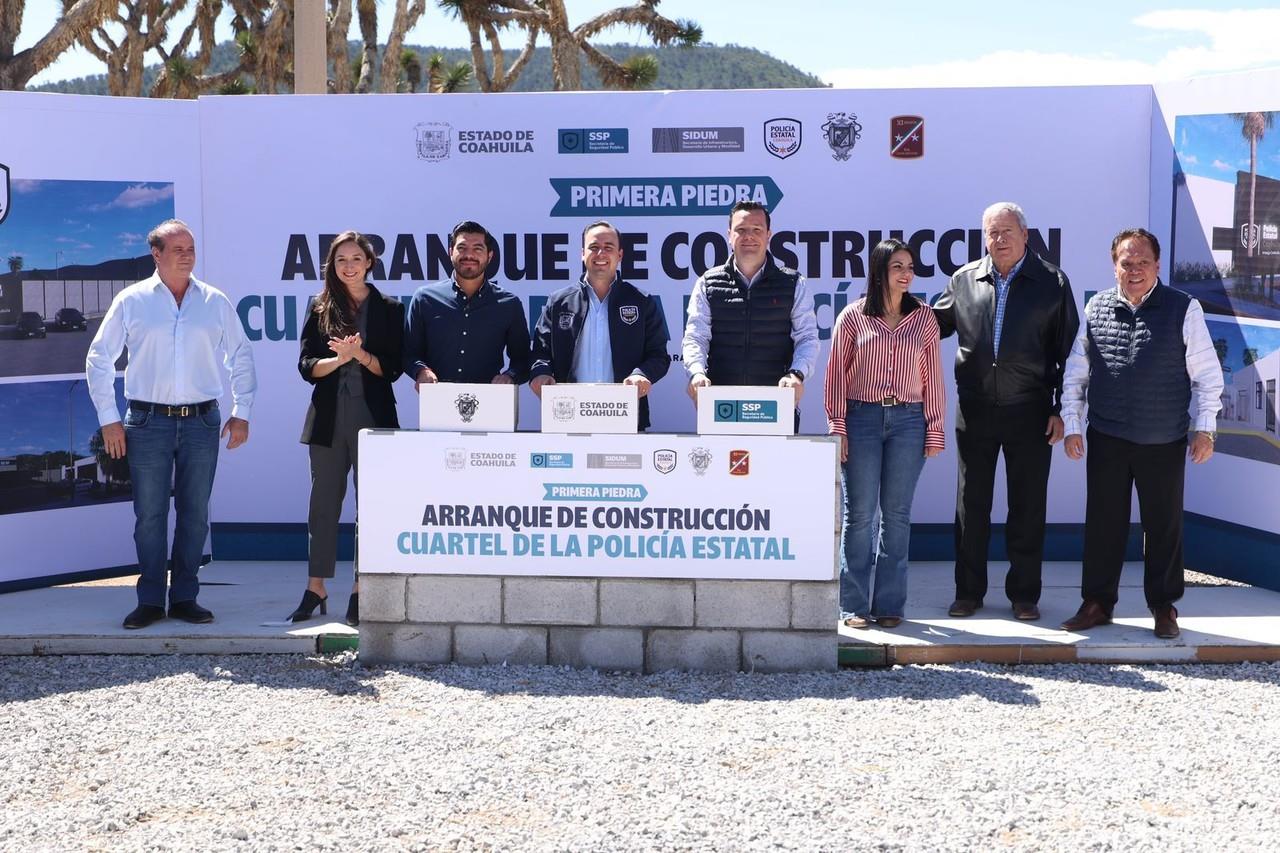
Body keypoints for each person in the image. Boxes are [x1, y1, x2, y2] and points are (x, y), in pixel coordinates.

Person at [85, 219, 256, 630]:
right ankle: (149, 601)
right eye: (177, 249)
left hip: (202, 421)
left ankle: (184, 597)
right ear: (156, 255)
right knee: (150, 516)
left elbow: (241, 355)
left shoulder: (214, 301)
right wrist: (110, 420)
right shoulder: (132, 300)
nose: (186, 255)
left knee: (196, 514)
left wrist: (242, 410)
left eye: (190, 248)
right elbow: (98, 360)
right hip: (146, 422)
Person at [1059, 228, 1223, 639]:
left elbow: (1207, 376)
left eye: (1142, 263)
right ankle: (1097, 603)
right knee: (1103, 524)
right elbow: (1077, 373)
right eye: (1125, 263)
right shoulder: (1096, 306)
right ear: (1114, 265)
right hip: (1108, 436)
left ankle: (1164, 608)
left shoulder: (1184, 308)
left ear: (1157, 266)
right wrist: (1073, 425)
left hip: (1163, 440)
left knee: (1163, 526)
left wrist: (1205, 429)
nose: (1133, 271)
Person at [933, 202, 1079, 621]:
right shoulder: (964, 280)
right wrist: (883, 310)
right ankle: (968, 592)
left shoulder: (1052, 282)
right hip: (975, 410)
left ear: (1025, 235)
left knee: (1027, 505)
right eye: (991, 233)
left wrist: (1059, 409)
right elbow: (928, 327)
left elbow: (1067, 351)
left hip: (1030, 411)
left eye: (1006, 232)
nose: (998, 240)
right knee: (970, 504)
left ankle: (1024, 595)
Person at [825, 240, 945, 629]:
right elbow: (836, 379)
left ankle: (890, 605)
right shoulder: (852, 317)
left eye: (910, 266)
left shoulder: (924, 318)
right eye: (898, 266)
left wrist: (935, 429)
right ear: (879, 272)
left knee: (897, 515)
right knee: (860, 515)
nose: (907, 274)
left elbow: (933, 378)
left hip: (910, 421)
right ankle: (853, 605)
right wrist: (837, 426)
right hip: (861, 417)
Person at [289, 231, 404, 627]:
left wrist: (361, 355)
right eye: (341, 260)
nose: (349, 266)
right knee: (322, 505)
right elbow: (306, 367)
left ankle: (360, 587)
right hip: (327, 418)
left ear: (369, 262)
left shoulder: (389, 308)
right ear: (332, 267)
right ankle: (316, 586)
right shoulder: (320, 306)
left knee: (370, 506)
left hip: (373, 417)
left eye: (356, 259)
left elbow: (392, 368)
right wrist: (339, 361)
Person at [681, 201, 818, 430]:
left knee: (776, 467)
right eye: (741, 230)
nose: (749, 237)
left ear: (768, 235)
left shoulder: (793, 283)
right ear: (729, 235)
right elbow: (696, 336)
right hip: (721, 407)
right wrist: (696, 373)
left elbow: (807, 338)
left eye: (757, 230)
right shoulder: (708, 283)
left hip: (775, 406)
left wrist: (797, 374)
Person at [529, 220, 670, 430]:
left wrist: (642, 374)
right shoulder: (558, 302)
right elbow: (540, 352)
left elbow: (658, 355)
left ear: (620, 255)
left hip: (624, 415)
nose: (601, 254)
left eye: (608, 247)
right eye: (594, 247)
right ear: (582, 253)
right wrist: (540, 373)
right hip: (568, 415)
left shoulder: (642, 301)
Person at [403, 220, 530, 389]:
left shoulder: (509, 304)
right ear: (451, 252)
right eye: (462, 248)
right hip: (438, 404)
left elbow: (523, 360)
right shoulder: (424, 298)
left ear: (489, 256)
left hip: (491, 407)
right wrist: (421, 371)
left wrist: (509, 376)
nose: (469, 255)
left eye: (477, 248)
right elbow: (408, 353)